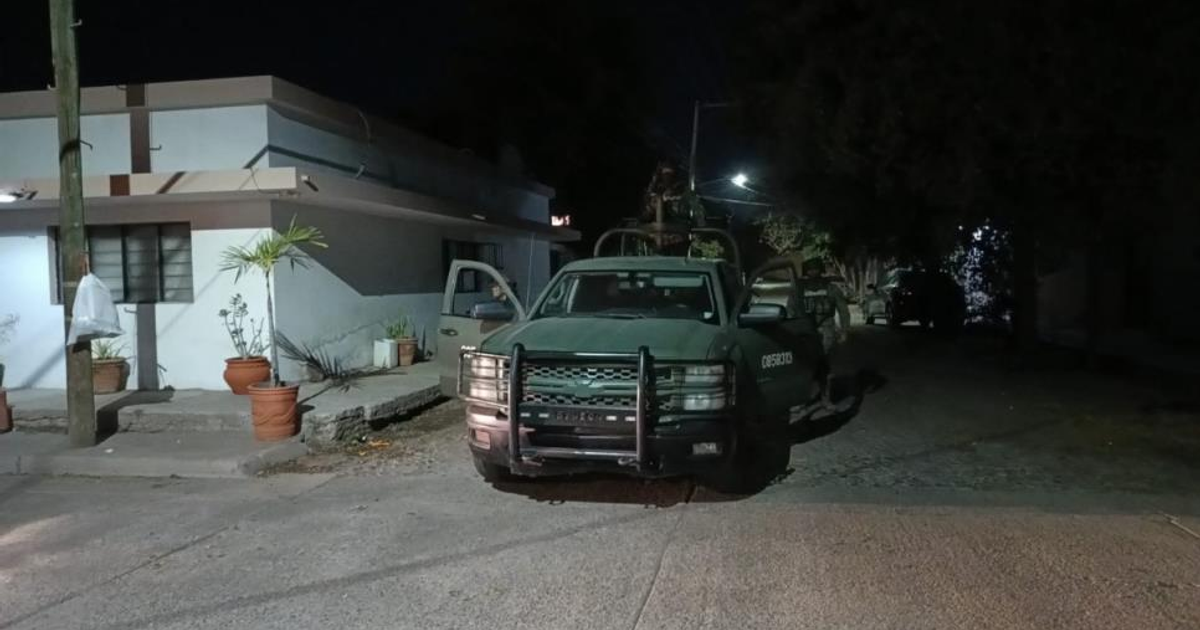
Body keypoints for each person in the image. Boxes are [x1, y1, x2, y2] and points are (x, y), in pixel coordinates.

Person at [798, 258, 851, 409]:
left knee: (823, 365)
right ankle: (801, 400)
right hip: (806, 331)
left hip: (826, 328)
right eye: (810, 269)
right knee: (804, 367)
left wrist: (844, 330)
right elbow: (791, 309)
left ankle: (825, 398)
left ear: (821, 270)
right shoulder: (799, 289)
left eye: (815, 269)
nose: (812, 272)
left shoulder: (831, 288)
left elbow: (843, 310)